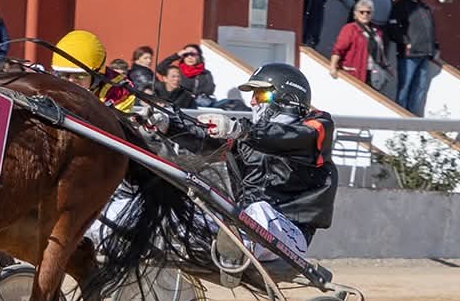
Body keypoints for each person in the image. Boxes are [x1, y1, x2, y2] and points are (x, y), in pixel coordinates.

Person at [137, 63, 337, 288]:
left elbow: (285, 137)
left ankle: (234, 247)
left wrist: (242, 130)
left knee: (258, 211)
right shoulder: (249, 136)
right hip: (242, 223)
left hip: (289, 235)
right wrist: (167, 124)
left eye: (260, 94)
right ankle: (184, 242)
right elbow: (206, 141)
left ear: (287, 97)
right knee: (183, 208)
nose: (252, 102)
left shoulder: (316, 128)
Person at [50, 29, 135, 112]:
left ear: (96, 76)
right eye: (64, 74)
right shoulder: (50, 85)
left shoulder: (118, 92)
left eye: (80, 75)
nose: (71, 80)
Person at [391, 0, 438, 115]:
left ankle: (412, 115)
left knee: (420, 87)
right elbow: (393, 27)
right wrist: (405, 42)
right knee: (405, 86)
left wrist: (434, 47)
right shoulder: (401, 6)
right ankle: (400, 115)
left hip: (424, 53)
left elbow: (430, 29)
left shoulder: (424, 8)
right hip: (409, 55)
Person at [329, 0, 391, 92]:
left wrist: (387, 68)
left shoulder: (377, 32)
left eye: (368, 12)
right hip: (354, 73)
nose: (365, 15)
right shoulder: (350, 29)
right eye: (361, 12)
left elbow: (381, 53)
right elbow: (338, 49)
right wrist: (333, 66)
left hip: (372, 75)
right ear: (355, 14)